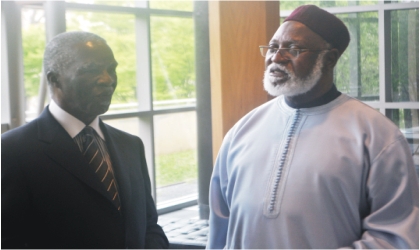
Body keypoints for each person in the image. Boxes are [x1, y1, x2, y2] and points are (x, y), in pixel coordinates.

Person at [207, 5, 419, 249]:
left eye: (294, 49)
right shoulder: (242, 131)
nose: (276, 58)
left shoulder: (376, 136)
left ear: (329, 59)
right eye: (273, 47)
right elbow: (220, 230)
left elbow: (395, 237)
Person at [2, 31, 169, 249]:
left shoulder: (130, 145)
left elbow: (148, 225)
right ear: (54, 79)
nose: (107, 79)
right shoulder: (12, 151)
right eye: (90, 70)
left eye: (111, 69)